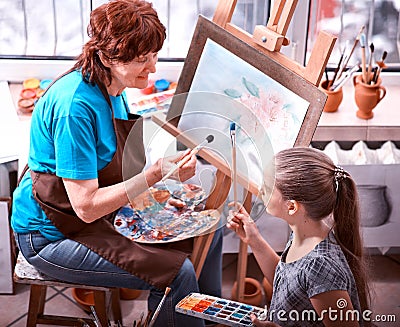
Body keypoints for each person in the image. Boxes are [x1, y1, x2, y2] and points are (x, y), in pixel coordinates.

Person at [11, 1, 222, 326]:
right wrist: (154, 176)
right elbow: (86, 207)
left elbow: (117, 166)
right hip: (54, 233)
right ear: (107, 56)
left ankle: (213, 321)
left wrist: (167, 177)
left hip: (96, 213)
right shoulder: (75, 108)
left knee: (210, 227)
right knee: (178, 273)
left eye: (154, 56)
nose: (152, 69)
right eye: (141, 60)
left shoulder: (114, 86)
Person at [227, 147, 370, 327]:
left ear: (292, 207)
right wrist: (254, 239)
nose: (261, 189)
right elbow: (287, 285)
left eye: (269, 187)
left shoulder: (321, 268)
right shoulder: (306, 232)